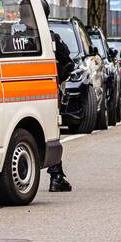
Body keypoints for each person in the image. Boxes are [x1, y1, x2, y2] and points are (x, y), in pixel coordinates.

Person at [47, 29, 75, 192]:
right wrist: (58, 80)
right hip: (47, 90)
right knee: (52, 131)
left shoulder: (14, 35)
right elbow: (68, 63)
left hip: (19, 89)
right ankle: (56, 176)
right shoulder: (50, 36)